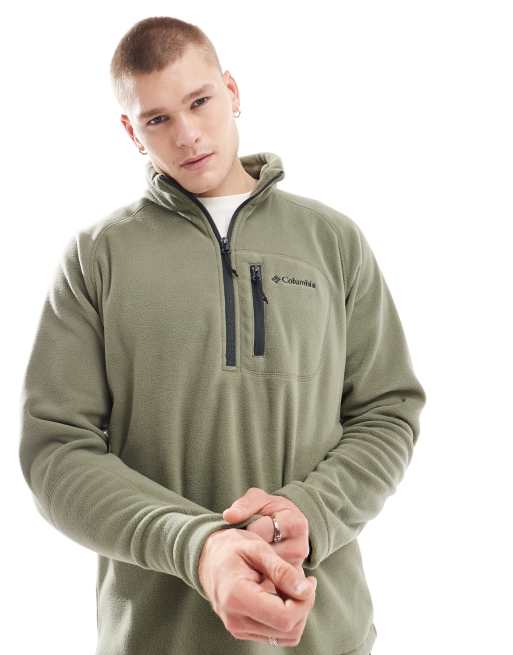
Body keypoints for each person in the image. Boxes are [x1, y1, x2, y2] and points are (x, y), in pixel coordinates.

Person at [18, 15, 426, 655]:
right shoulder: (96, 258)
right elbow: (55, 454)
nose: (187, 134)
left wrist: (309, 513)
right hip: (157, 640)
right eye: (157, 119)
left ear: (231, 92)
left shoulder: (333, 241)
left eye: (200, 101)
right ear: (130, 131)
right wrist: (198, 544)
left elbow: (387, 412)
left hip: (325, 636)